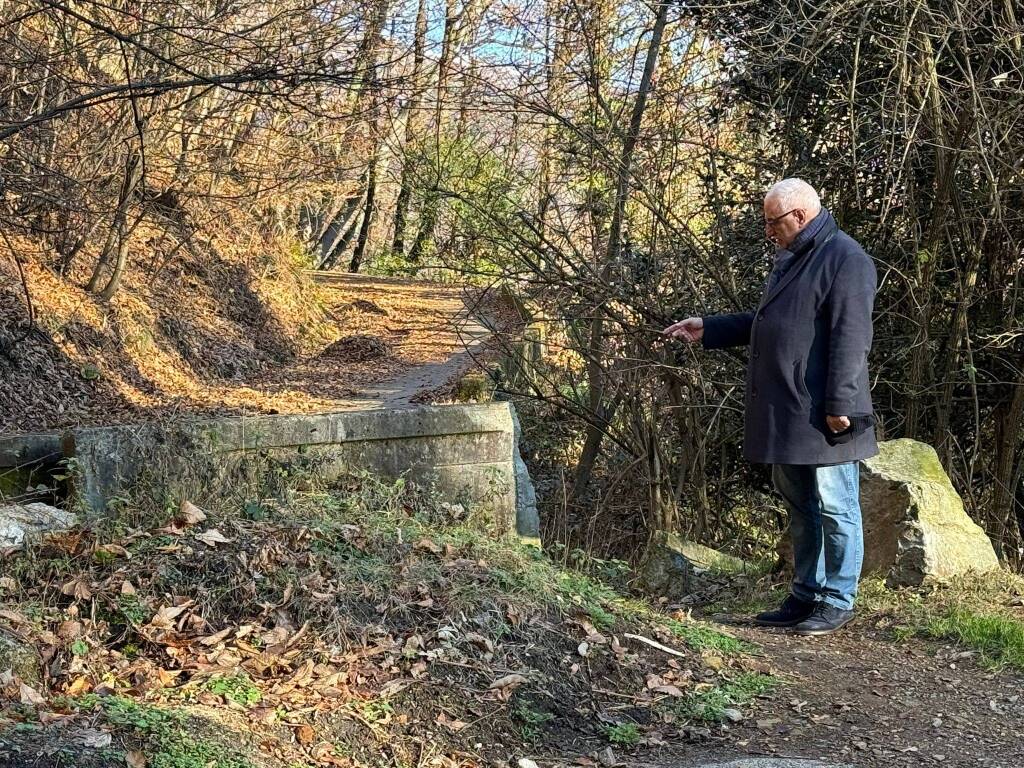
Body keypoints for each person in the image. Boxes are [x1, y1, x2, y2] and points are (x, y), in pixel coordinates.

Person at [664, 178, 878, 636]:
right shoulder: (792, 259)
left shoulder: (846, 259)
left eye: (772, 222)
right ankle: (806, 594)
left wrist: (840, 403)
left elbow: (852, 337)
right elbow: (772, 322)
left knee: (837, 507)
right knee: (802, 506)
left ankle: (838, 599)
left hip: (826, 413)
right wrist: (710, 328)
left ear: (799, 217)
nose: (767, 232)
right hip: (787, 411)